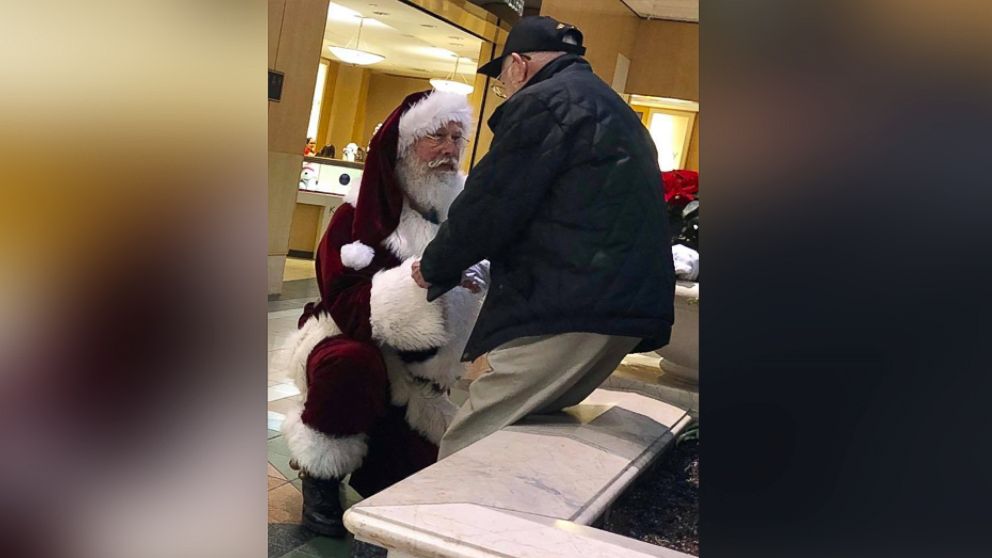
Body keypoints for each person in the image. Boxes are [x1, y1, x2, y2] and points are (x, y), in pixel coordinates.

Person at [411, 16, 676, 459]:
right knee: (525, 430)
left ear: (518, 64)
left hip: (573, 302)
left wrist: (436, 266)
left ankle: (426, 526)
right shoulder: (608, 105)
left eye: (502, 80)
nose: (506, 89)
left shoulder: (544, 103)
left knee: (468, 444)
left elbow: (493, 201)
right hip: (620, 301)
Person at [279, 90, 487, 537]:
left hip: (418, 377)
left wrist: (475, 287)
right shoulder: (353, 219)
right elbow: (351, 310)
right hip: (348, 350)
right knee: (351, 363)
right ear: (405, 145)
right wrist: (420, 277)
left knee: (411, 490)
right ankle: (321, 475)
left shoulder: (463, 220)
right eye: (436, 137)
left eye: (457, 137)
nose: (450, 150)